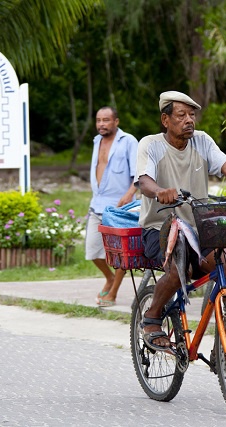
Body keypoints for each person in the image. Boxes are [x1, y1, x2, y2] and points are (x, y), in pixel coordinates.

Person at [135, 91, 226, 352]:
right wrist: (159, 192)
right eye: (181, 115)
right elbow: (144, 180)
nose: (189, 120)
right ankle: (152, 318)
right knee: (180, 271)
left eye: (192, 115)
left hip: (199, 229)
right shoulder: (151, 144)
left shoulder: (201, 141)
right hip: (159, 229)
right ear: (165, 120)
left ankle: (222, 342)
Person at [86, 106, 138, 306]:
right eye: (98, 120)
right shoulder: (96, 141)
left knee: (120, 254)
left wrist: (129, 194)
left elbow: (138, 174)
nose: (101, 124)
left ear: (116, 121)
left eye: (106, 120)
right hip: (97, 205)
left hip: (119, 207)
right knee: (92, 250)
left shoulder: (129, 142)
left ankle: (113, 293)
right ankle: (109, 278)